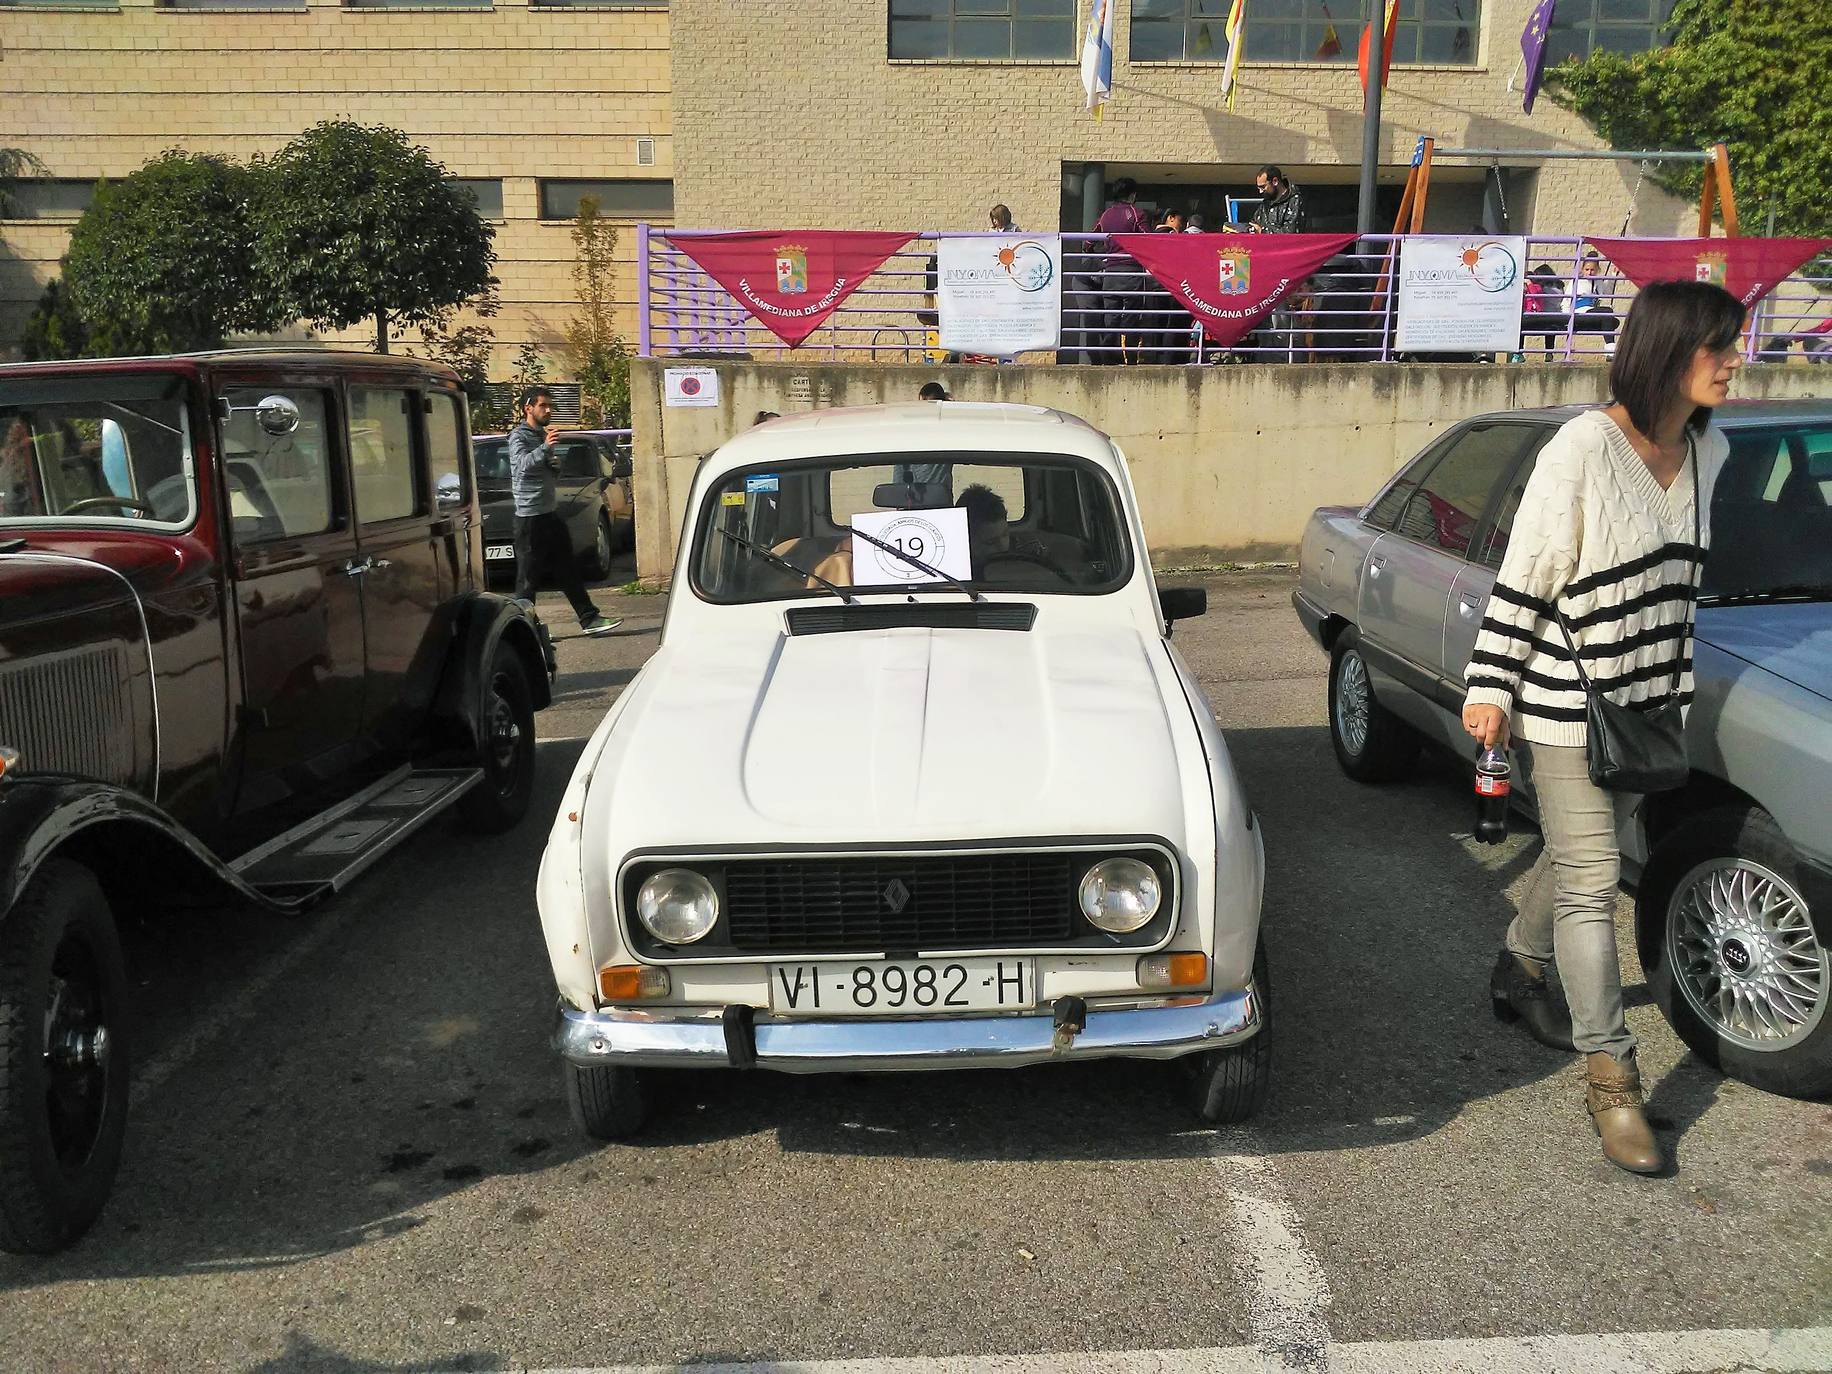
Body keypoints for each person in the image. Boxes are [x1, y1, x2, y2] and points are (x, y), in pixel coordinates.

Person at [1462, 280, 1744, 1176]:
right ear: (1668, 351)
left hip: (1655, 704)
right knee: (1593, 881)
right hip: (1567, 702)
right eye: (1719, 349)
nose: (1736, 364)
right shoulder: (1582, 447)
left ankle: (1518, 964)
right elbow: (1528, 573)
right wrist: (1492, 687)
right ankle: (1613, 1081)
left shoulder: (1714, 450)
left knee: (1582, 852)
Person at [508, 386, 620, 636]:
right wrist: (546, 449)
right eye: (543, 406)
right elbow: (522, 466)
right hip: (529, 517)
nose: (548, 410)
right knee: (527, 579)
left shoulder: (540, 435)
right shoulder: (519, 436)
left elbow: (541, 469)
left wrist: (554, 465)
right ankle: (519, 632)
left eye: (550, 406)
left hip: (549, 513)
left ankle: (589, 618)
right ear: (528, 408)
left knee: (567, 568)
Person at [1094, 177, 1151, 364]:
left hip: (1111, 273)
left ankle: (1108, 358)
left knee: (1111, 318)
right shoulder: (1136, 213)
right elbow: (1148, 240)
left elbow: (1088, 241)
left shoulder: (1106, 215)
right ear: (1132, 195)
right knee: (1132, 318)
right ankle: (1131, 359)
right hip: (1131, 272)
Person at [893, 384, 953, 495]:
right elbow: (899, 470)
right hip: (912, 500)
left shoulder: (945, 431)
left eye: (927, 405)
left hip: (939, 502)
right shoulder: (909, 433)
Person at [1573, 249, 1622, 352]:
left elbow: (1607, 292)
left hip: (1592, 311)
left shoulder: (1598, 281)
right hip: (1580, 312)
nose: (1589, 273)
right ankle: (1610, 348)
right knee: (1607, 313)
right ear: (1582, 269)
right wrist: (1567, 316)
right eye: (1587, 269)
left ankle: (1610, 350)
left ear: (1597, 270)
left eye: (1592, 270)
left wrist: (1613, 276)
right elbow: (1567, 300)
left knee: (1610, 318)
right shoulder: (1577, 281)